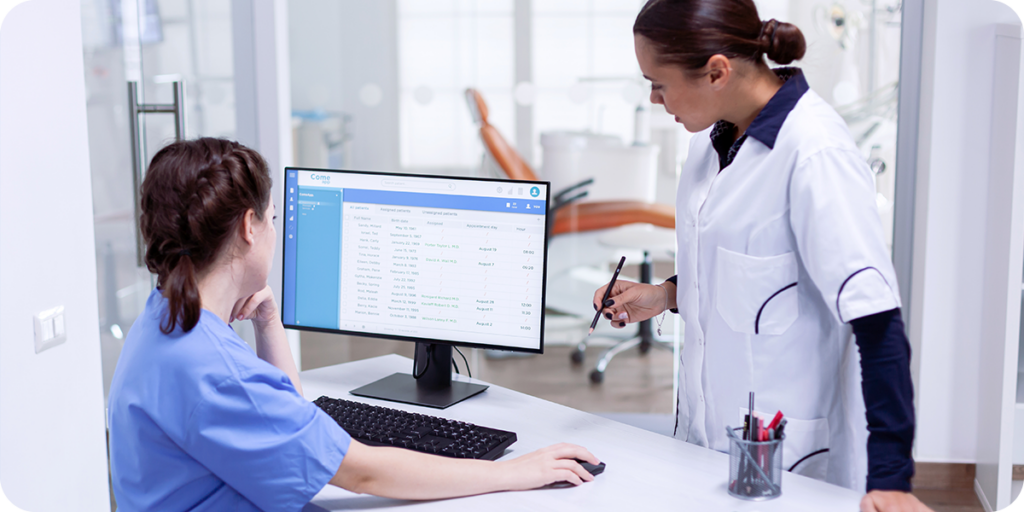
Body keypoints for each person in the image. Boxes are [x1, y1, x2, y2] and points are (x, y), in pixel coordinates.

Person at [107, 138, 599, 511]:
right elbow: (363, 474)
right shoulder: (217, 371)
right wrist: (516, 472)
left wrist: (268, 321)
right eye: (273, 218)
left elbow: (284, 415)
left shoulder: (165, 323)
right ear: (248, 227)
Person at [593, 1, 930, 511]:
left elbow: (878, 323)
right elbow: (755, 273)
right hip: (703, 443)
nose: (654, 98)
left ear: (716, 72)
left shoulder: (815, 154)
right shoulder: (712, 140)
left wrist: (892, 478)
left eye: (658, 83)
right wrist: (665, 295)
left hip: (789, 457)